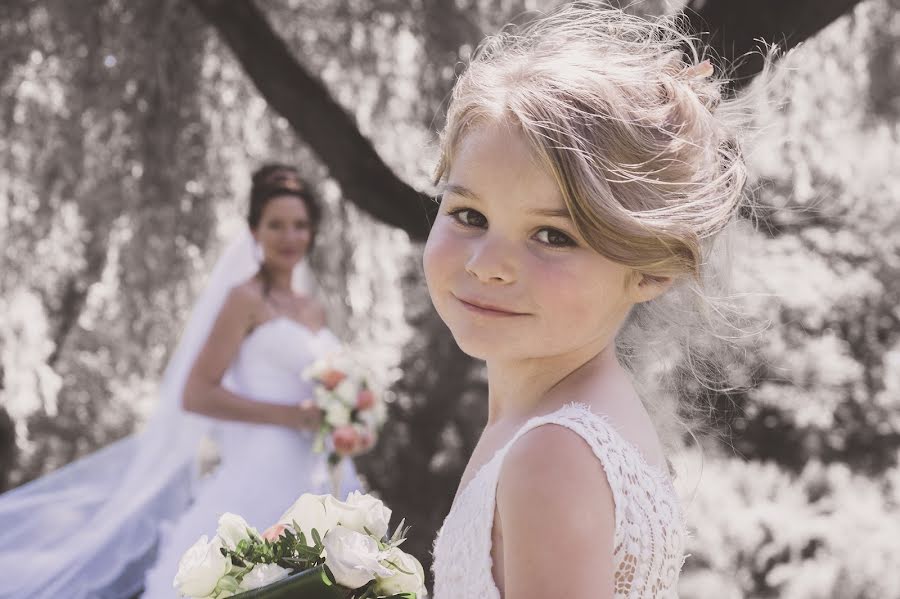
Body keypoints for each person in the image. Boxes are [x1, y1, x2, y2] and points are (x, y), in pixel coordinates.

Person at [426, 4, 760, 597]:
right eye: (469, 215)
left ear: (650, 269)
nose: (487, 265)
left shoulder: (551, 457)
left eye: (553, 236)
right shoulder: (554, 426)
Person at [0, 164, 371, 599]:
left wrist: (347, 417)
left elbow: (324, 386)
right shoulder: (244, 301)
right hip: (261, 466)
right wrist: (289, 416)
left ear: (312, 232)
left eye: (299, 226)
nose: (289, 237)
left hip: (317, 468)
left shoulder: (313, 309)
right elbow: (196, 393)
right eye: (276, 225)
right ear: (254, 231)